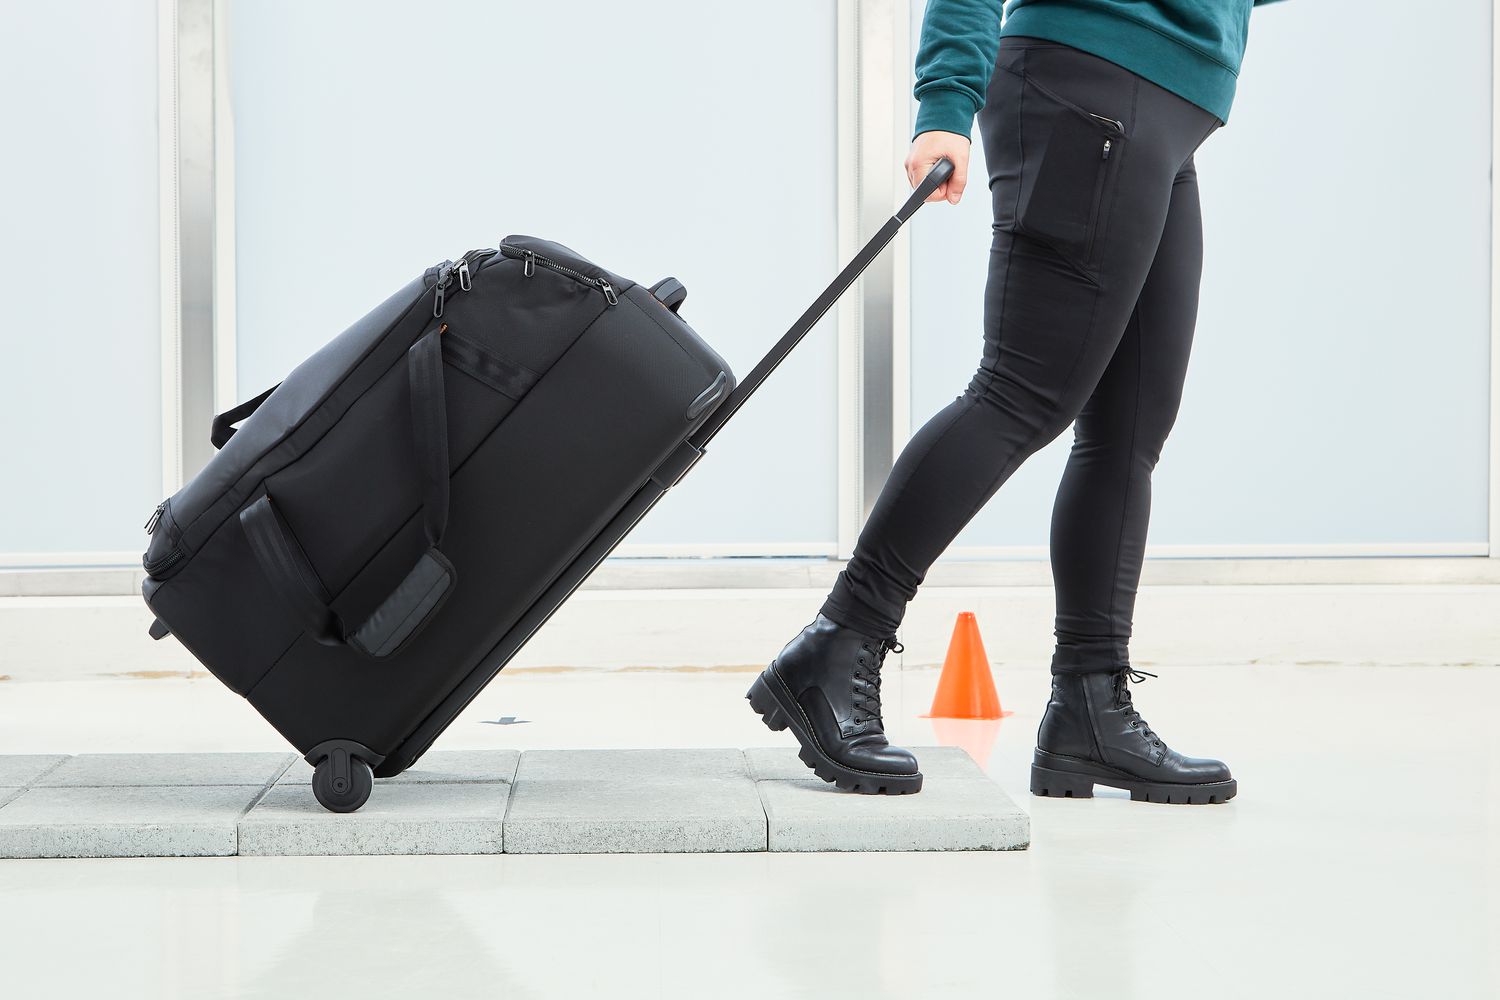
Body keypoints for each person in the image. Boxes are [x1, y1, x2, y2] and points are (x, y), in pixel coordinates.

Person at [747, 0, 1285, 801]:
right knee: (1020, 394)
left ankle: (1090, 707)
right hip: (1089, 83)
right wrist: (945, 102)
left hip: (1172, 110)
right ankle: (838, 641)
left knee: (1130, 427)